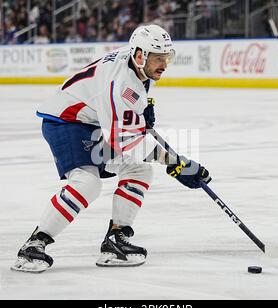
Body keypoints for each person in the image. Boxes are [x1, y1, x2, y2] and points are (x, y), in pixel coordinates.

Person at [11, 24, 211, 273]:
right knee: (87, 182)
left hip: (90, 121)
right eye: (159, 58)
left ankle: (116, 240)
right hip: (65, 121)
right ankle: (34, 245)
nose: (164, 64)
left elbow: (133, 114)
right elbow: (125, 141)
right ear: (140, 55)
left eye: (166, 57)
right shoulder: (120, 84)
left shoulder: (139, 64)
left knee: (139, 170)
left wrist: (142, 112)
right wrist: (175, 163)